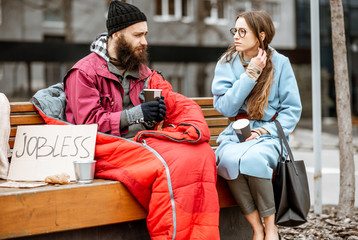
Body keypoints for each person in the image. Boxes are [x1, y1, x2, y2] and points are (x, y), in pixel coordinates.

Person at [41, 1, 219, 239]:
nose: (144, 41)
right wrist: (137, 114)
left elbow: (173, 99)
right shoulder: (83, 72)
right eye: (138, 35)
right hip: (102, 149)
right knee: (169, 164)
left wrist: (174, 116)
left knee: (201, 153)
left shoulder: (142, 72)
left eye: (145, 34)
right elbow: (86, 126)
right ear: (116, 35)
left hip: (137, 144)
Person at [211, 11, 302, 240]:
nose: (236, 37)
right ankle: (257, 228)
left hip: (269, 134)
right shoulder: (227, 62)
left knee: (254, 159)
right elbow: (225, 107)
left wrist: (263, 130)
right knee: (228, 161)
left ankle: (271, 227)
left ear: (261, 35)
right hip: (236, 133)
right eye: (235, 31)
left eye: (243, 32)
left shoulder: (281, 63)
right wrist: (250, 74)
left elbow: (292, 110)